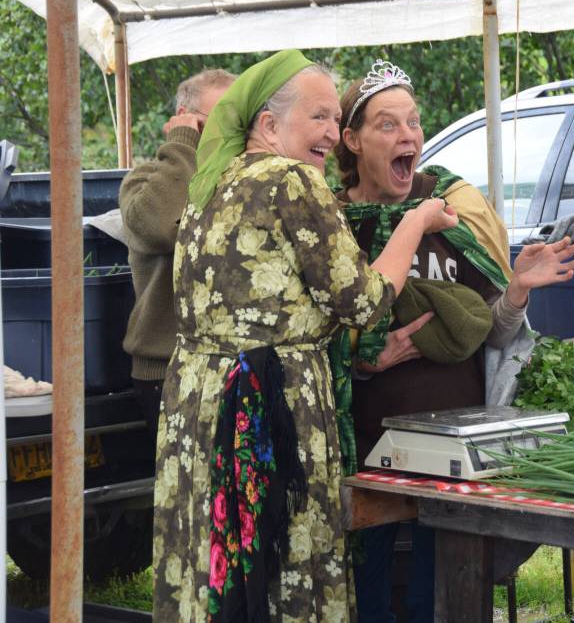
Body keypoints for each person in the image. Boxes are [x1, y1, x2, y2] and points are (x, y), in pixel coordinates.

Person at [151, 50, 456, 621]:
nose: (333, 135)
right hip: (268, 404)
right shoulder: (290, 180)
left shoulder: (209, 184)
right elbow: (363, 301)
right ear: (269, 124)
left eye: (335, 121)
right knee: (282, 561)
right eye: (318, 117)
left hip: (196, 403)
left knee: (211, 558)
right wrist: (416, 220)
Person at [333, 59, 574, 623]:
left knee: (441, 584)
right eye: (387, 124)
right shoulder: (332, 222)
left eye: (414, 122)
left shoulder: (450, 207)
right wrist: (368, 364)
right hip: (367, 441)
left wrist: (517, 289)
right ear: (352, 139)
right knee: (364, 584)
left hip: (455, 447)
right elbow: (321, 337)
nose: (408, 136)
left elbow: (492, 330)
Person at [119, 68, 235, 441]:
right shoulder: (144, 181)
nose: (225, 133)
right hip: (165, 368)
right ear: (183, 121)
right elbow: (165, 226)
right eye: (214, 122)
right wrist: (184, 144)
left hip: (226, 363)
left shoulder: (237, 180)